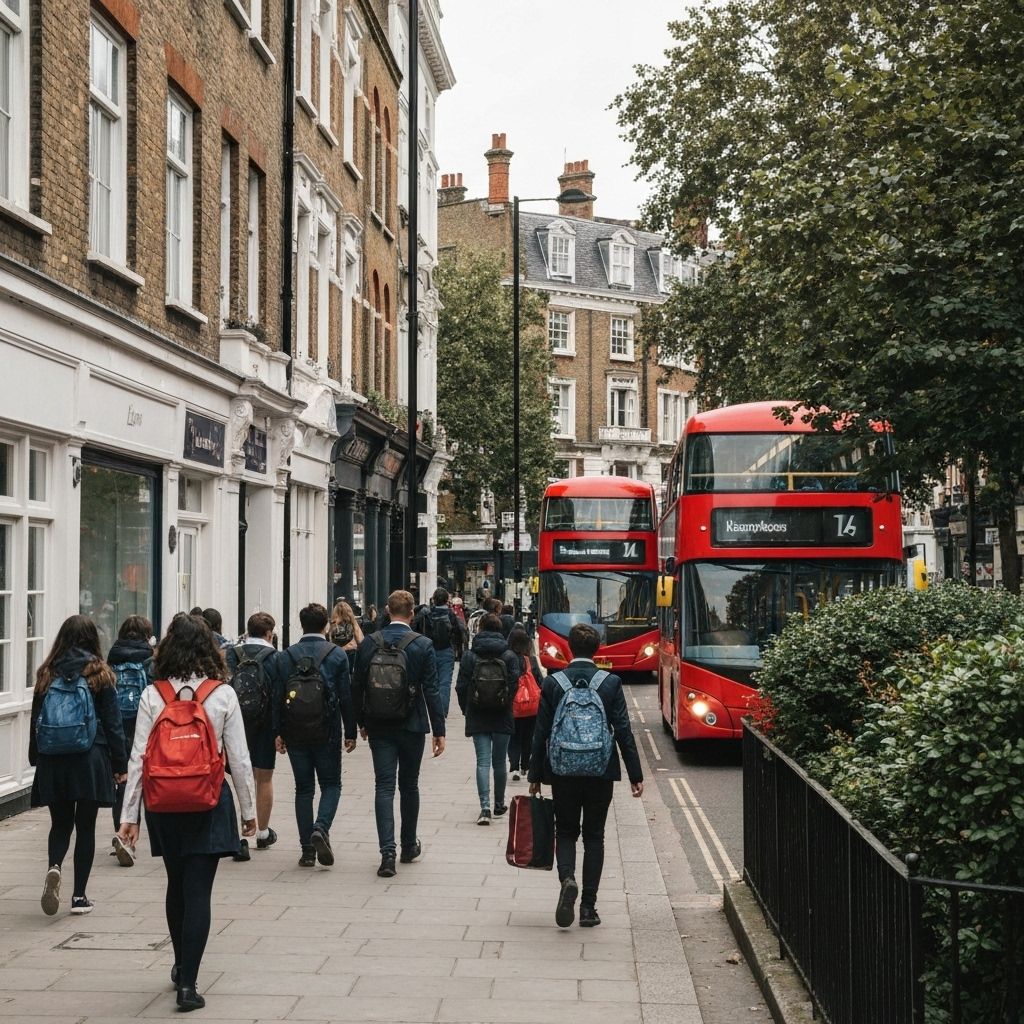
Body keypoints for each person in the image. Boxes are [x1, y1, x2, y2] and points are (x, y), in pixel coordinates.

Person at [117, 613, 256, 1012]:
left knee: (175, 884)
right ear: (208, 649)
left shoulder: (152, 694)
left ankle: (179, 963)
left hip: (163, 803)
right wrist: (250, 813)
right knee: (199, 892)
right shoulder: (222, 694)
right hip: (208, 801)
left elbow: (139, 759)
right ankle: (189, 984)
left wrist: (130, 817)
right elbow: (240, 760)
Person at [529, 622, 643, 929]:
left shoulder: (554, 683)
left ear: (568, 648)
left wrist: (535, 774)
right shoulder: (611, 683)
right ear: (597, 650)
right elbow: (623, 731)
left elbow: (540, 733)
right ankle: (588, 908)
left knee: (565, 832)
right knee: (595, 836)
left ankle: (568, 879)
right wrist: (635, 774)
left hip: (563, 770)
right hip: (600, 770)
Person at [29, 615, 128, 916]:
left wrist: (35, 757)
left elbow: (36, 721)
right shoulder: (99, 673)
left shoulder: (46, 673)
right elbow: (113, 724)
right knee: (85, 827)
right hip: (90, 758)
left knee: (60, 824)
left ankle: (54, 867)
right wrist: (120, 764)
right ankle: (79, 897)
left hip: (54, 761)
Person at [352, 590, 446, 878]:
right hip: (412, 724)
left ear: (387, 610)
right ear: (412, 612)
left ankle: (387, 853)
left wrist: (360, 722)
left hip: (379, 724)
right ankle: (408, 845)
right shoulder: (423, 645)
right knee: (409, 785)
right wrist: (438, 730)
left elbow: (356, 686)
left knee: (383, 786)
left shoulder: (369, 643)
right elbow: (431, 689)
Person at [272, 603, 357, 868]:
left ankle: (307, 850)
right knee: (331, 784)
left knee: (303, 788)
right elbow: (346, 695)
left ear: (301, 624)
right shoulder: (336, 655)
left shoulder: (286, 656)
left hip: (295, 731)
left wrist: (278, 732)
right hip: (327, 730)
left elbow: (278, 697)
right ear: (325, 626)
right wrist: (351, 731)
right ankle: (321, 827)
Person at [225, 612, 281, 854]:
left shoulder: (232, 653)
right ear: (269, 633)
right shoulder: (275, 657)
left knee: (238, 776)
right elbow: (279, 695)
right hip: (265, 723)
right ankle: (262, 832)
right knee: (264, 777)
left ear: (247, 631)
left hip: (235, 722)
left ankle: (242, 836)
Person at [456, 612, 520, 825]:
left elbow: (461, 686)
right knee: (499, 761)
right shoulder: (509, 655)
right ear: (500, 630)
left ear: (480, 629)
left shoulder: (469, 655)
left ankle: (484, 808)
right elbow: (514, 685)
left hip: (478, 713)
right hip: (502, 714)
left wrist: (466, 709)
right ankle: (499, 803)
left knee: (482, 762)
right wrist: (505, 703)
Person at [107, 614, 155, 864]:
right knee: (140, 781)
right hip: (142, 724)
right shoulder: (149, 658)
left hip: (117, 725)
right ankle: (130, 838)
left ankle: (122, 830)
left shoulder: (112, 656)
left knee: (124, 780)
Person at [413, 588, 466, 718]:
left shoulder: (427, 614)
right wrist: (459, 650)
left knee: (429, 681)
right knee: (445, 682)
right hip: (446, 650)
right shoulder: (451, 615)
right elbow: (459, 631)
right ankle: (442, 711)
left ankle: (430, 708)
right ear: (447, 600)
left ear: (434, 600)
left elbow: (415, 629)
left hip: (428, 649)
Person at [506, 625, 542, 782]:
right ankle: (525, 767)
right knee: (528, 737)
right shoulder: (531, 660)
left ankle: (513, 766)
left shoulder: (507, 658)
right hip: (530, 707)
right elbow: (540, 681)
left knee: (513, 737)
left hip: (513, 706)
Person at [329, 599, 364, 669]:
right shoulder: (354, 626)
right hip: (351, 663)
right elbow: (362, 642)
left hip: (334, 661)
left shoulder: (331, 627)